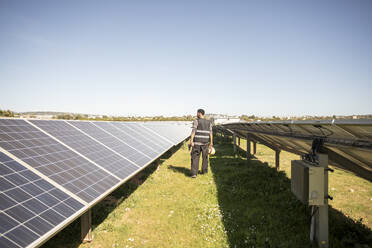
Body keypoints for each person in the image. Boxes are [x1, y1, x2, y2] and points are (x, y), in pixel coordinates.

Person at [189, 109, 213, 178]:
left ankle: (194, 173)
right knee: (205, 158)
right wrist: (211, 143)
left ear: (199, 113)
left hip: (197, 143)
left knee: (195, 157)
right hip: (205, 143)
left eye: (197, 113)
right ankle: (204, 171)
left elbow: (193, 131)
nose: (196, 114)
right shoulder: (209, 122)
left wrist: (191, 141)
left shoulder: (196, 121)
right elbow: (211, 133)